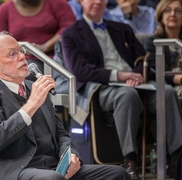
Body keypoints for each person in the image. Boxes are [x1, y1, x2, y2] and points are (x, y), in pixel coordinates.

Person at [0, 31, 130, 180]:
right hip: (12, 169)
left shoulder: (33, 87)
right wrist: (32, 104)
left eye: (21, 51)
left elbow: (61, 134)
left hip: (51, 168)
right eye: (12, 54)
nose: (22, 57)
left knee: (118, 174)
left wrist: (71, 155)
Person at [61, 0, 182, 179]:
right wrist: (119, 76)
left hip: (137, 83)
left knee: (168, 92)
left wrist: (139, 73)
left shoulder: (121, 28)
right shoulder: (70, 34)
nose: (97, 2)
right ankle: (130, 159)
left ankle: (176, 160)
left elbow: (143, 58)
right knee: (127, 95)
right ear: (81, 2)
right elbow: (79, 70)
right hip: (103, 86)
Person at [0, 0, 76, 81]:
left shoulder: (57, 3)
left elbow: (70, 28)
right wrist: (20, 50)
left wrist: (46, 47)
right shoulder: (5, 10)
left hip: (58, 58)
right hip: (22, 60)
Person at [145, 0, 182, 100]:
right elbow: (159, 71)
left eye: (178, 11)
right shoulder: (153, 42)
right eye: (167, 10)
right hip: (170, 87)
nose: (173, 14)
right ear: (161, 16)